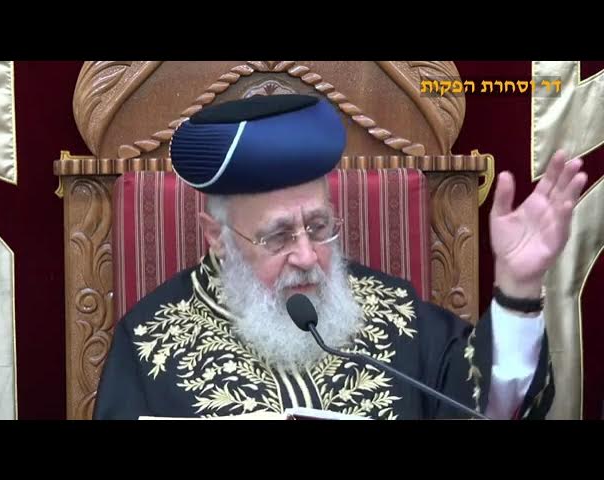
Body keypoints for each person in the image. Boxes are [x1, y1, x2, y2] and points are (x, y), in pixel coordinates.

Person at [93, 94, 587, 420]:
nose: (307, 255)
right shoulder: (149, 343)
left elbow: (489, 407)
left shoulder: (398, 313)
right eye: (278, 236)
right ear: (216, 236)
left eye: (318, 226)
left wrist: (518, 286)